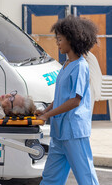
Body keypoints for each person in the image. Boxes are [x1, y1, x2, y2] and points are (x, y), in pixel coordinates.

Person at [36, 16, 99, 185]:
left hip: (74, 132)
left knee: (86, 177)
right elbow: (61, 97)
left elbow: (74, 101)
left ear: (71, 40)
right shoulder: (65, 65)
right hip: (60, 133)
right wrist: (45, 111)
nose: (57, 43)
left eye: (60, 39)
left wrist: (47, 116)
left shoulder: (80, 66)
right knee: (50, 178)